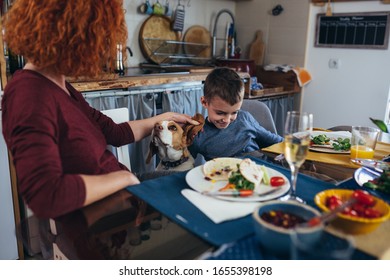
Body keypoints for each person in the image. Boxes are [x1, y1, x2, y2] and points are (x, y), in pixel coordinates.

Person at [1, 0, 198, 219]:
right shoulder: (29, 94)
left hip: (123, 196)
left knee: (199, 184)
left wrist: (163, 118)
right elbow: (46, 195)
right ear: (63, 35)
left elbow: (115, 133)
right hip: (104, 217)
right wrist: (124, 179)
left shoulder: (61, 84)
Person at [189, 67, 284, 161]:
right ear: (204, 102)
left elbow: (276, 142)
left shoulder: (245, 119)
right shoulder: (198, 135)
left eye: (234, 112)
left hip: (259, 169)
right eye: (220, 113)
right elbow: (185, 163)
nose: (227, 120)